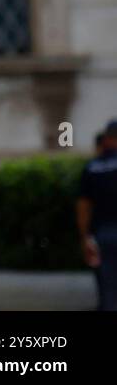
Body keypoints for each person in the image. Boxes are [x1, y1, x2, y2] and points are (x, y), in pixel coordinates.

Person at [78, 119, 117, 310]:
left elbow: (83, 207)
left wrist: (85, 237)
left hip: (103, 235)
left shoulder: (92, 167)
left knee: (108, 292)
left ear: (107, 139)